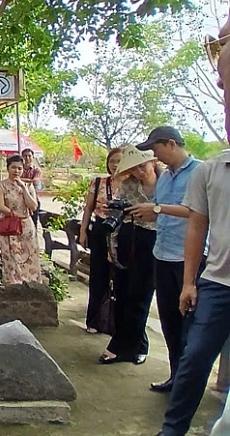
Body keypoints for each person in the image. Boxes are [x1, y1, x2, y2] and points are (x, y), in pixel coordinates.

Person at [156, 12, 230, 436]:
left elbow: (184, 217)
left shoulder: (195, 169)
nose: (219, 84)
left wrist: (160, 211)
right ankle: (173, 428)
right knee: (193, 357)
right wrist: (191, 281)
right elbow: (199, 227)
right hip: (214, 280)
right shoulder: (212, 171)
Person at [128, 127, 200, 393]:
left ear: (171, 144)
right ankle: (175, 376)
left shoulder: (199, 173)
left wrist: (157, 208)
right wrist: (145, 213)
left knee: (189, 322)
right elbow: (161, 210)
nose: (154, 156)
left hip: (187, 258)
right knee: (169, 319)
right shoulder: (165, 177)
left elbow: (197, 212)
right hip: (162, 253)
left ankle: (189, 383)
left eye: (155, 149)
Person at [99, 146, 159, 365]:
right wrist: (111, 245)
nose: (140, 172)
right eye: (134, 169)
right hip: (129, 237)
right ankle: (131, 343)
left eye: (142, 166)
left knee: (141, 295)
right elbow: (117, 214)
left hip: (155, 240)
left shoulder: (167, 184)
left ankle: (129, 345)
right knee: (124, 293)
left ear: (152, 162)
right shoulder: (127, 185)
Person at [78, 146, 124, 334]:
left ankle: (117, 322)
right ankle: (94, 320)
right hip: (99, 231)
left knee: (121, 278)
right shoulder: (98, 183)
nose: (115, 165)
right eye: (112, 161)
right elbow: (88, 209)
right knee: (98, 276)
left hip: (122, 233)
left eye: (119, 161)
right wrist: (83, 232)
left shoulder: (133, 184)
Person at [0, 154, 41, 284]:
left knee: (29, 256)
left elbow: (33, 206)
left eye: (19, 168)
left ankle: (31, 286)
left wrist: (24, 187)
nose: (16, 171)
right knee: (11, 258)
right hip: (10, 225)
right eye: (13, 167)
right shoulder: (1, 185)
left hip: (26, 226)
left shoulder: (27, 186)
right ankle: (12, 287)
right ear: (8, 168)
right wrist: (15, 214)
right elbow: (0, 206)